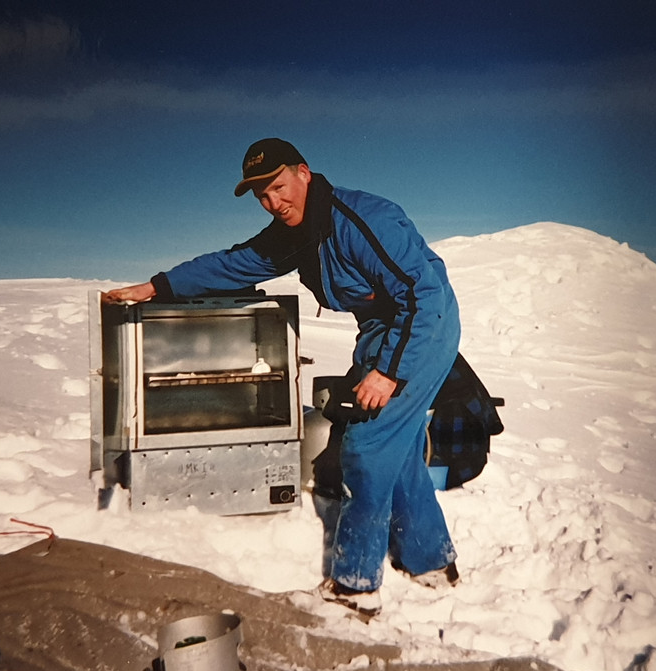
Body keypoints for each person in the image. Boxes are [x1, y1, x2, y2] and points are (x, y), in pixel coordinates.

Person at [104, 138, 461, 617]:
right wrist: (158, 286)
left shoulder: (362, 219)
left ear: (304, 173)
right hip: (384, 331)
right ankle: (431, 562)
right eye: (263, 197)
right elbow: (234, 263)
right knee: (396, 449)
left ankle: (354, 588)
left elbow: (426, 293)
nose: (275, 203)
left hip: (421, 330)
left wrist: (388, 373)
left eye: (278, 186)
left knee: (367, 449)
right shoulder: (295, 233)